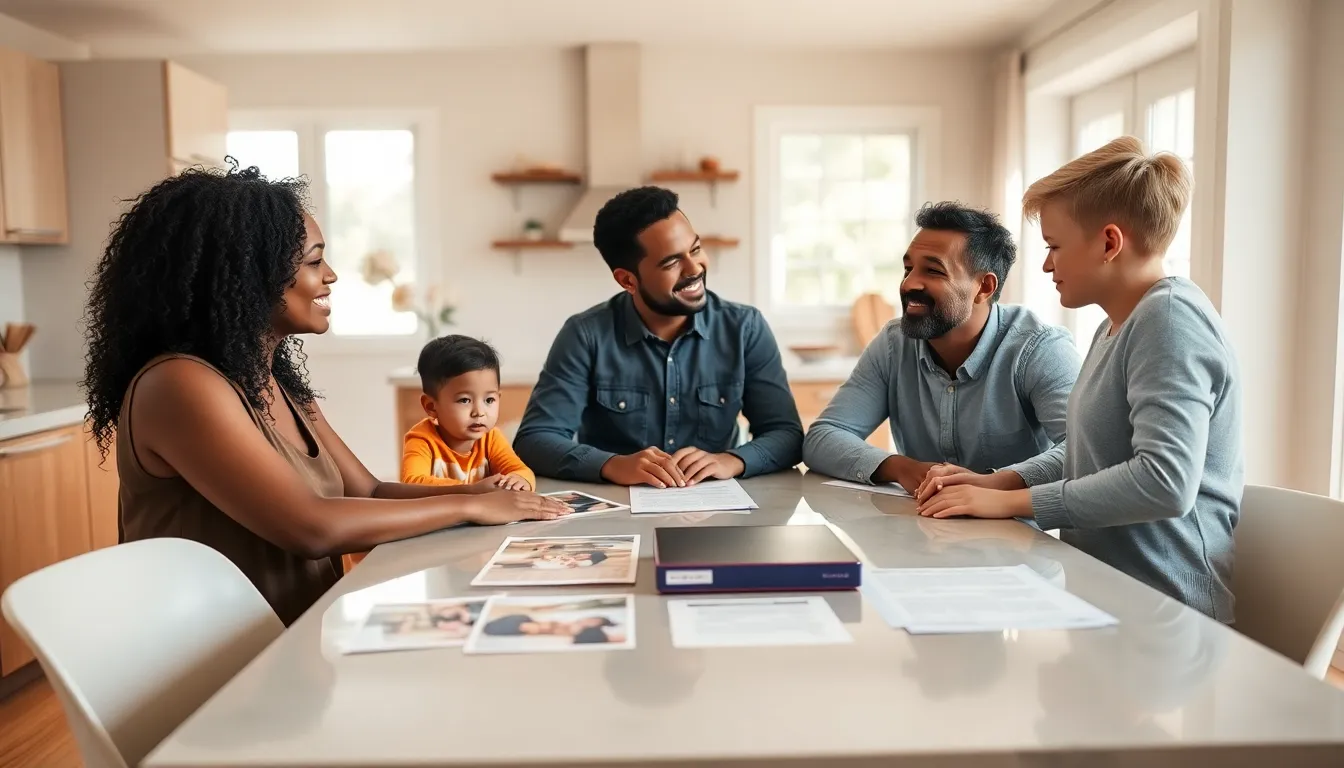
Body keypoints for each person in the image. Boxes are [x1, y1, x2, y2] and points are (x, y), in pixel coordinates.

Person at [81, 163, 569, 625]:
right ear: (246, 275)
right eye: (314, 261)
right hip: (212, 669)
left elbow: (370, 493)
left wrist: (478, 491)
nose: (331, 275)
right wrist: (468, 507)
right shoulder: (180, 385)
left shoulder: (275, 381)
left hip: (293, 643)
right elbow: (312, 527)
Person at [915, 136, 1243, 623]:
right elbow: (1093, 456)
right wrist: (997, 483)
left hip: (1166, 610)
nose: (1047, 264)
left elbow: (1164, 483)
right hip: (1104, 591)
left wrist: (1012, 504)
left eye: (1054, 246)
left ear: (1109, 242)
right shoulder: (1116, 325)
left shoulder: (1170, 322)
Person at [514, 185, 804, 487]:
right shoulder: (585, 335)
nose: (695, 269)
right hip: (616, 508)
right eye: (671, 262)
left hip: (718, 507)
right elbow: (535, 439)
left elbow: (786, 435)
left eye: (695, 249)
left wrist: (730, 461)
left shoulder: (745, 328)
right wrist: (613, 465)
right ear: (628, 280)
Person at [802, 201, 1082, 495]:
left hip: (1020, 534)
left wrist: (990, 485)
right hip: (921, 529)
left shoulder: (1039, 348)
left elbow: (1083, 451)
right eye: (908, 268)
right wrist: (902, 468)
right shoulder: (892, 345)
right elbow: (823, 438)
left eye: (933, 271)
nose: (909, 283)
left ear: (984, 288)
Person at [401, 335, 535, 491]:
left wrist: (520, 480)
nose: (479, 412)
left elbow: (521, 471)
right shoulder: (422, 439)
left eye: (489, 400)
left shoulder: (491, 438)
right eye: (464, 400)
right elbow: (412, 483)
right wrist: (472, 490)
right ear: (431, 406)